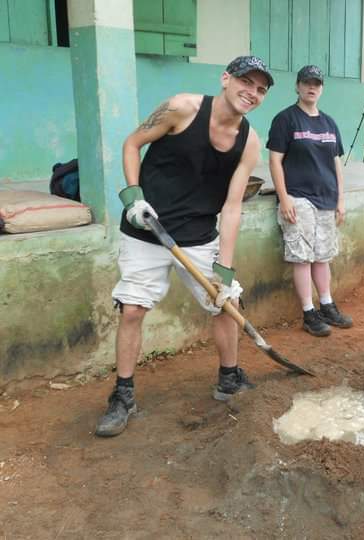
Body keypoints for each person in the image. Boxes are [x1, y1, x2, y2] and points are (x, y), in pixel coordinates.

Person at [95, 56, 273, 437]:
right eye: (246, 81)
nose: (252, 93)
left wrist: (224, 267)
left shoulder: (249, 142)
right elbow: (132, 143)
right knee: (132, 310)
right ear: (226, 79)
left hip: (198, 236)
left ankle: (228, 378)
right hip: (147, 229)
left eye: (261, 89)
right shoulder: (181, 108)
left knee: (226, 304)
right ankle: (123, 394)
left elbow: (232, 206)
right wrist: (133, 197)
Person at [267, 65, 352, 337]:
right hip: (298, 197)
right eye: (306, 83)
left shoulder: (329, 123)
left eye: (316, 83)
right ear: (297, 86)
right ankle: (308, 312)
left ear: (322, 88)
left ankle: (327, 304)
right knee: (302, 257)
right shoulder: (286, 119)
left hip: (327, 198)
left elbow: (336, 163)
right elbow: (275, 160)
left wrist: (341, 199)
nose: (311, 87)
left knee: (322, 256)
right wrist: (284, 198)